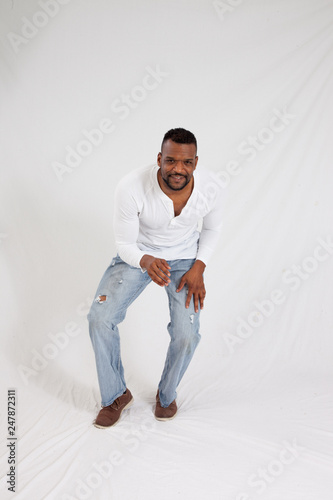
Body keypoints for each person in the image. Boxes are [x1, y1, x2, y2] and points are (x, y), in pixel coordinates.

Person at [88, 127, 225, 428]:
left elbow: (212, 229)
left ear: (196, 162)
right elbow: (124, 244)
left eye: (186, 163)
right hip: (139, 254)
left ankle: (167, 394)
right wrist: (145, 259)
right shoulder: (131, 186)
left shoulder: (211, 187)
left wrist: (199, 267)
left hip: (186, 260)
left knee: (187, 333)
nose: (178, 169)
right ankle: (115, 396)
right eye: (171, 161)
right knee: (100, 317)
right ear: (160, 158)